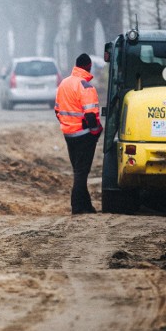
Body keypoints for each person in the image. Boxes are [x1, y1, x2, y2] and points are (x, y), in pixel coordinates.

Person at [55, 53, 103, 214]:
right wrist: (96, 132)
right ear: (89, 66)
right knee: (82, 172)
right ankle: (77, 206)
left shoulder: (63, 84)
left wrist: (66, 124)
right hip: (83, 134)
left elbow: (57, 110)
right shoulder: (85, 86)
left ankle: (86, 206)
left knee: (78, 170)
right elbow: (90, 115)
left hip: (68, 133)